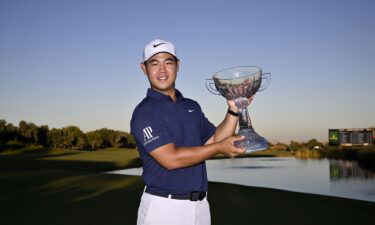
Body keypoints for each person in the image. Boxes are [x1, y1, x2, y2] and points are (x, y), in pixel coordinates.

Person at [130, 38, 250, 225]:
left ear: (178, 66)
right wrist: (219, 147)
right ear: (144, 69)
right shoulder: (144, 113)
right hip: (164, 208)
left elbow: (214, 139)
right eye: (154, 63)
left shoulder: (191, 106)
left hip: (201, 207)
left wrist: (234, 110)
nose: (162, 70)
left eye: (168, 62)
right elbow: (171, 159)